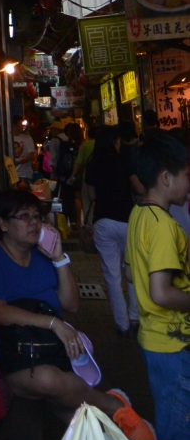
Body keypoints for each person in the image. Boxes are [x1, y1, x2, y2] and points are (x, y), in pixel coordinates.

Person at [0, 189, 155, 440]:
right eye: (24, 216)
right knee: (47, 380)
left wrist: (59, 258)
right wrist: (55, 324)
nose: (34, 222)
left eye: (37, 216)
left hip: (45, 350)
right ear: (3, 224)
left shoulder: (42, 256)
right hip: (0, 360)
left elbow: (71, 304)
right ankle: (112, 405)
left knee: (60, 393)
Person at [125, 134, 190, 440]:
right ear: (166, 178)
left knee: (170, 411)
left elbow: (130, 273)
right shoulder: (165, 227)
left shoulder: (139, 215)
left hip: (153, 337)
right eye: (186, 176)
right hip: (172, 341)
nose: (189, 185)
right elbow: (162, 293)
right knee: (179, 419)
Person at [86, 126, 139, 334]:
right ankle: (135, 316)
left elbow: (92, 196)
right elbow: (139, 188)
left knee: (112, 276)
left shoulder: (93, 164)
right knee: (132, 269)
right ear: (115, 142)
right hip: (127, 220)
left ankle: (122, 324)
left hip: (103, 222)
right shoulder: (123, 160)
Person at [71, 122, 96, 227]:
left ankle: (89, 225)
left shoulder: (85, 145)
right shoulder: (103, 144)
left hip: (87, 177)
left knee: (87, 202)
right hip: (101, 178)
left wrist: (73, 175)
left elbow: (79, 162)